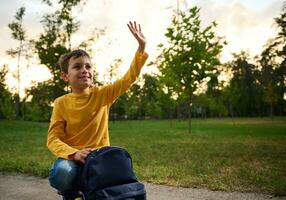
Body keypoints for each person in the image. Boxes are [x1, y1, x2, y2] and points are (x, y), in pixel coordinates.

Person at [47, 21, 148, 200]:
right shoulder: (61, 103)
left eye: (88, 66)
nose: (84, 70)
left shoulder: (103, 94)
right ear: (65, 76)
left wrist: (141, 47)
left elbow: (128, 79)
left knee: (121, 166)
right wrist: (74, 153)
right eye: (77, 66)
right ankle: (71, 194)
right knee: (62, 172)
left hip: (100, 158)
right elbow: (53, 139)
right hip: (74, 159)